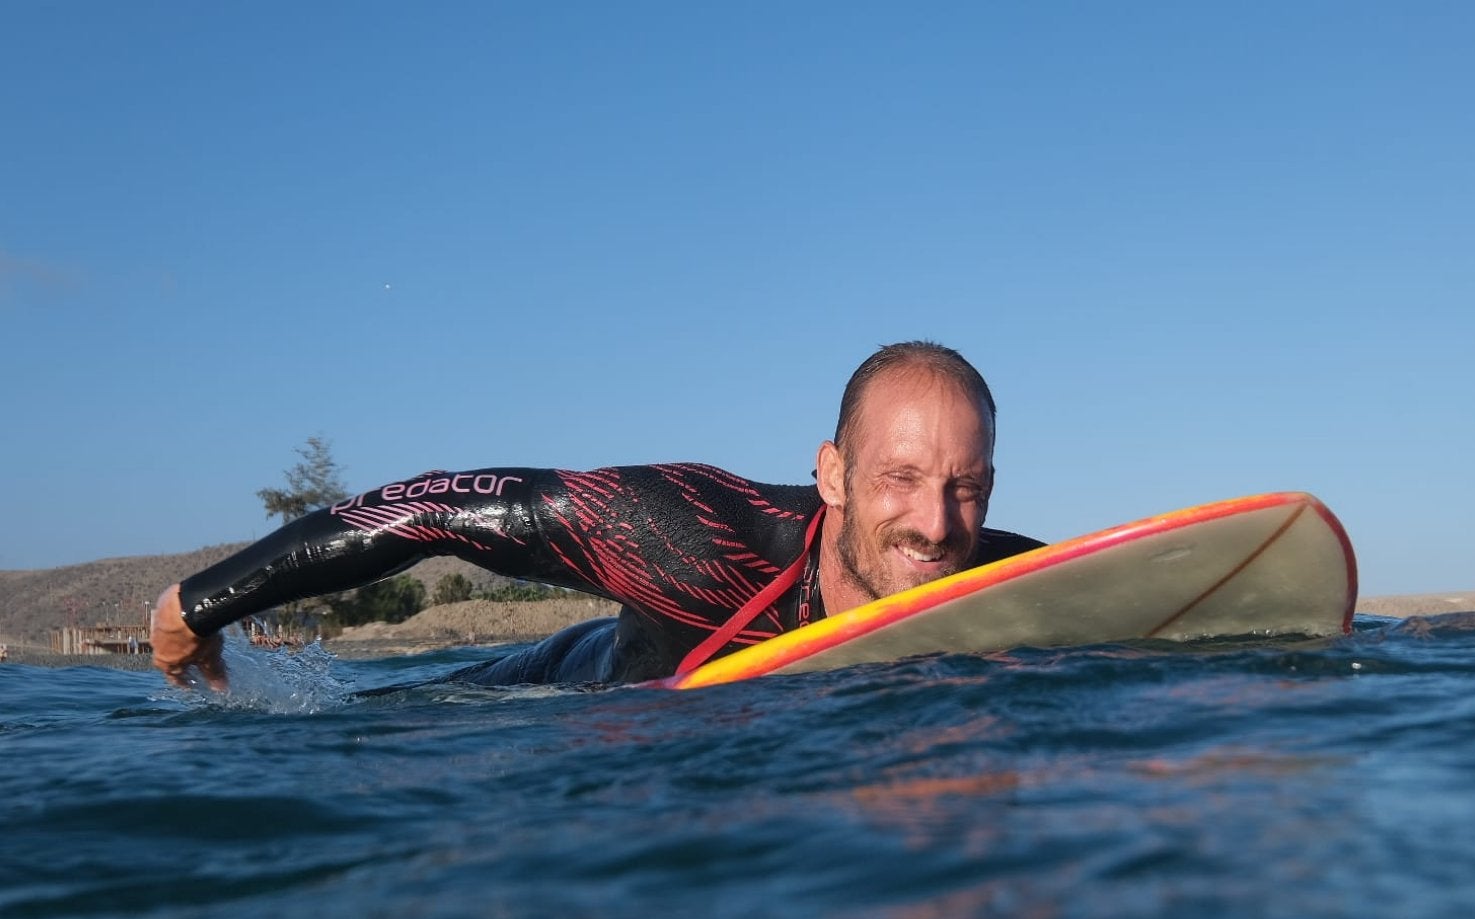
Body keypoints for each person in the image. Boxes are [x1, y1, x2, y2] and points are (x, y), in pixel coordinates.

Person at [152, 341, 1042, 690]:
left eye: (964, 487)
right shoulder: (691, 531)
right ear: (835, 475)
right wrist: (200, 603)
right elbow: (436, 510)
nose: (935, 522)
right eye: (902, 478)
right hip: (551, 702)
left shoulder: (1008, 578)